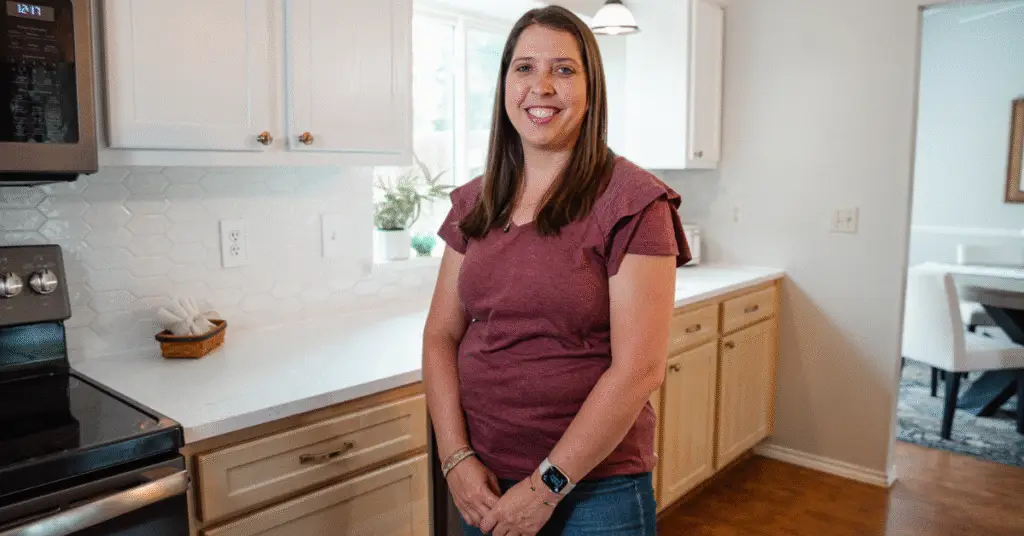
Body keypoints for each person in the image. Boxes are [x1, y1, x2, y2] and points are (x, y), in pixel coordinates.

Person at [422, 5, 690, 536]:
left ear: (592, 89)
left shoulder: (634, 201)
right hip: (485, 482)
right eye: (524, 68)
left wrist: (546, 486)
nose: (540, 86)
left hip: (598, 490)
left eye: (563, 70)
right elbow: (439, 336)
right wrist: (455, 460)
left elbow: (639, 368)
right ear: (504, 86)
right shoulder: (474, 204)